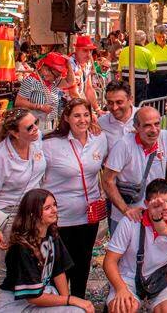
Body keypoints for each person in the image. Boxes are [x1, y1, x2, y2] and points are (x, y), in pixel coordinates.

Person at [41, 99, 109, 298]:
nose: (82, 120)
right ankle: (61, 304)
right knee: (59, 268)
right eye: (77, 116)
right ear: (66, 118)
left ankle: (79, 302)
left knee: (83, 262)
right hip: (60, 218)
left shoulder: (100, 138)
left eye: (86, 115)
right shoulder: (50, 144)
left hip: (89, 215)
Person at [0, 188, 93, 313]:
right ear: (32, 213)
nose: (54, 210)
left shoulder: (51, 234)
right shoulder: (22, 247)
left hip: (42, 293)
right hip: (18, 303)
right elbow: (33, 297)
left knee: (75, 310)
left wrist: (67, 303)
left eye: (55, 205)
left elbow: (58, 271)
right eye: (47, 208)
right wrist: (70, 300)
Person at [103, 179, 167, 313]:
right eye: (158, 203)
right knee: (123, 308)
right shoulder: (130, 222)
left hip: (163, 279)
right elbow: (109, 261)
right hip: (128, 278)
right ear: (146, 204)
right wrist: (120, 289)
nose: (165, 207)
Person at [0, 109, 46, 276]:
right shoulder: (0, 157)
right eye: (30, 127)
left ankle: (31, 299)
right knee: (9, 266)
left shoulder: (36, 140)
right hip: (9, 215)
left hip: (34, 211)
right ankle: (6, 302)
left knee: (37, 261)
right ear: (15, 133)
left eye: (36, 123)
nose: (36, 129)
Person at [102, 106, 167, 235]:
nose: (154, 130)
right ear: (136, 127)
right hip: (129, 217)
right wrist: (126, 210)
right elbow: (107, 180)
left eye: (157, 124)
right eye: (147, 126)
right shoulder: (123, 145)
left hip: (156, 214)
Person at [16, 52, 70, 132]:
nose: (57, 78)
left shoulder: (53, 82)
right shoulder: (31, 80)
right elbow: (19, 102)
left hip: (49, 125)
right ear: (45, 69)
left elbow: (70, 82)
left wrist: (69, 64)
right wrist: (40, 107)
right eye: (56, 75)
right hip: (33, 126)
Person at [118, 30, 157, 102]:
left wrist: (121, 82)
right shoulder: (147, 52)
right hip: (140, 83)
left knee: (127, 101)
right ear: (144, 40)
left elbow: (120, 70)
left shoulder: (124, 51)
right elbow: (153, 70)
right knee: (140, 103)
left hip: (126, 81)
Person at [68, 35, 99, 112]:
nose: (89, 54)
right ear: (76, 50)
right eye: (85, 51)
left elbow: (88, 88)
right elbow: (73, 92)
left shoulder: (88, 63)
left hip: (76, 105)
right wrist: (86, 112)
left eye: (90, 51)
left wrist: (97, 109)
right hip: (65, 106)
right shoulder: (70, 64)